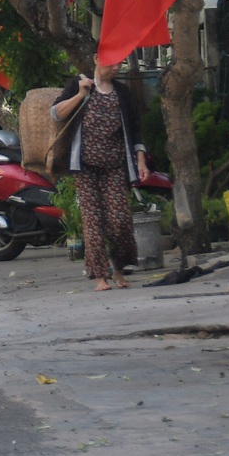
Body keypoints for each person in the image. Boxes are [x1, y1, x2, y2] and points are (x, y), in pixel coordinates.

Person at [50, 61, 151, 289]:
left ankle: (119, 270)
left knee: (120, 220)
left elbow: (135, 129)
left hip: (115, 166)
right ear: (97, 58)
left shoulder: (123, 93)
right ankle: (100, 277)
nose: (116, 68)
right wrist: (80, 94)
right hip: (85, 167)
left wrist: (141, 160)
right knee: (92, 222)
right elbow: (56, 114)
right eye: (111, 63)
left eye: (120, 63)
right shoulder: (79, 83)